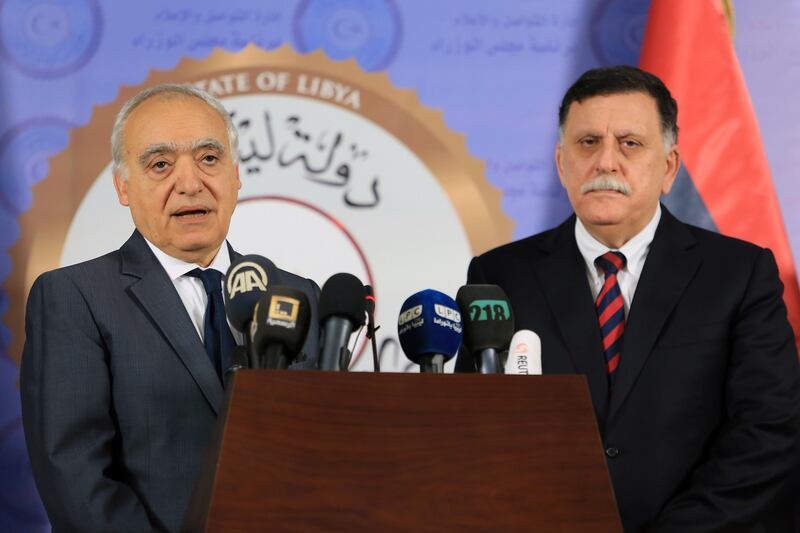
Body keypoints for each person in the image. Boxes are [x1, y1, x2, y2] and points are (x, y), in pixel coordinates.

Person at [455, 66, 800, 532]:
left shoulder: (739, 275)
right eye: (588, 142)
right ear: (562, 163)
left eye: (630, 144)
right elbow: (474, 436)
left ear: (669, 167)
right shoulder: (500, 276)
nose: (606, 163)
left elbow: (770, 433)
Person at [20, 84, 321, 532]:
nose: (190, 182)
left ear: (236, 175)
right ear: (123, 187)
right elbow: (76, 476)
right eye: (160, 164)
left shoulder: (297, 296)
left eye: (209, 158)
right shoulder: (74, 297)